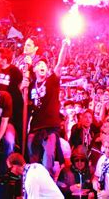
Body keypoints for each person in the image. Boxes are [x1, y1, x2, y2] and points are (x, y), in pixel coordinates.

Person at [25, 38, 69, 175]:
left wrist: (64, 45)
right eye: (39, 64)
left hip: (50, 127)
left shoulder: (52, 81)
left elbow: (60, 64)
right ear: (35, 69)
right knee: (32, 156)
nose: (43, 65)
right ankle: (34, 181)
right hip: (35, 126)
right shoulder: (31, 85)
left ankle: (47, 182)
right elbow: (26, 104)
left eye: (45, 64)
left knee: (48, 157)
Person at [0, 47, 24, 147]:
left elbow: (19, 88)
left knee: (9, 142)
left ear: (4, 60)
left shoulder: (14, 71)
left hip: (9, 115)